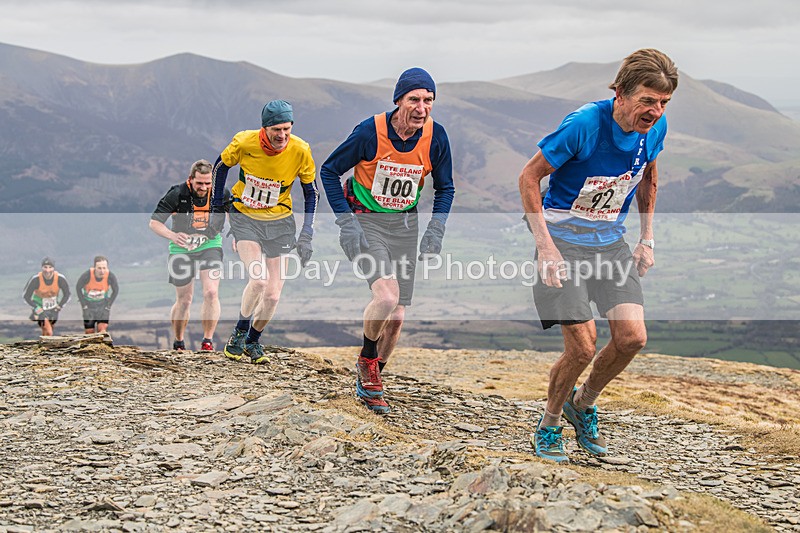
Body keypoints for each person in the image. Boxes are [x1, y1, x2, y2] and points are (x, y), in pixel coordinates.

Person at [518, 49, 678, 463]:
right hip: (563, 243)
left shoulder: (654, 130)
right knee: (582, 348)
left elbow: (648, 178)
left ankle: (583, 403)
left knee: (632, 338)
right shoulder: (585, 124)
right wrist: (545, 247)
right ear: (621, 94)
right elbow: (529, 177)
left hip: (609, 243)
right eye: (647, 100)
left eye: (663, 103)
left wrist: (647, 239)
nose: (655, 111)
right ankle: (550, 424)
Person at [320, 67, 455, 414]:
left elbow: (446, 187)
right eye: (414, 99)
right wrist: (345, 223)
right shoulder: (370, 132)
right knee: (386, 295)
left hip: (405, 226)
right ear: (399, 100)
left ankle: (372, 380)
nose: (421, 107)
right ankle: (367, 359)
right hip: (366, 222)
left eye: (428, 100)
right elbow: (329, 171)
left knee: (396, 318)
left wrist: (436, 229)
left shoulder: (435, 138)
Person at [212, 100, 319, 364]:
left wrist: (306, 233)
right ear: (265, 128)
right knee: (258, 280)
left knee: (272, 295)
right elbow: (219, 167)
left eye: (287, 128)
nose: (282, 135)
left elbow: (311, 192)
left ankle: (253, 341)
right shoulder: (244, 142)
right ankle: (239, 331)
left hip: (280, 221)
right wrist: (216, 206)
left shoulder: (300, 150)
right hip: (245, 215)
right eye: (276, 130)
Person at [149, 159, 229, 351]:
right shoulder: (177, 194)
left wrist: (238, 236)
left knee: (211, 292)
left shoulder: (221, 193)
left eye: (207, 183)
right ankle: (179, 341)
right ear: (190, 180)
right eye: (199, 183)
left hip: (210, 244)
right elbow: (154, 222)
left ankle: (207, 341)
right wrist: (173, 236)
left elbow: (235, 215)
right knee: (185, 299)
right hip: (181, 249)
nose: (203, 187)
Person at [22, 257, 71, 337]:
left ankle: (43, 348)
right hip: (39, 307)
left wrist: (60, 306)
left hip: (53, 307)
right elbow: (26, 297)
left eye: (50, 267)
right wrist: (35, 307)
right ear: (42, 268)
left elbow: (67, 294)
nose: (47, 270)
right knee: (49, 332)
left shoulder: (60, 279)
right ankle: (45, 346)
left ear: (54, 268)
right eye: (45, 267)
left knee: (48, 330)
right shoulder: (35, 279)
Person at [75, 256, 120, 334]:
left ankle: (101, 346)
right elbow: (78, 288)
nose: (102, 271)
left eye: (104, 268)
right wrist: (84, 305)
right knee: (89, 332)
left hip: (103, 306)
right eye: (99, 268)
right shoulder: (87, 275)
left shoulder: (110, 276)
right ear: (94, 267)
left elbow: (115, 290)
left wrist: (108, 306)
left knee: (102, 330)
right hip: (89, 306)